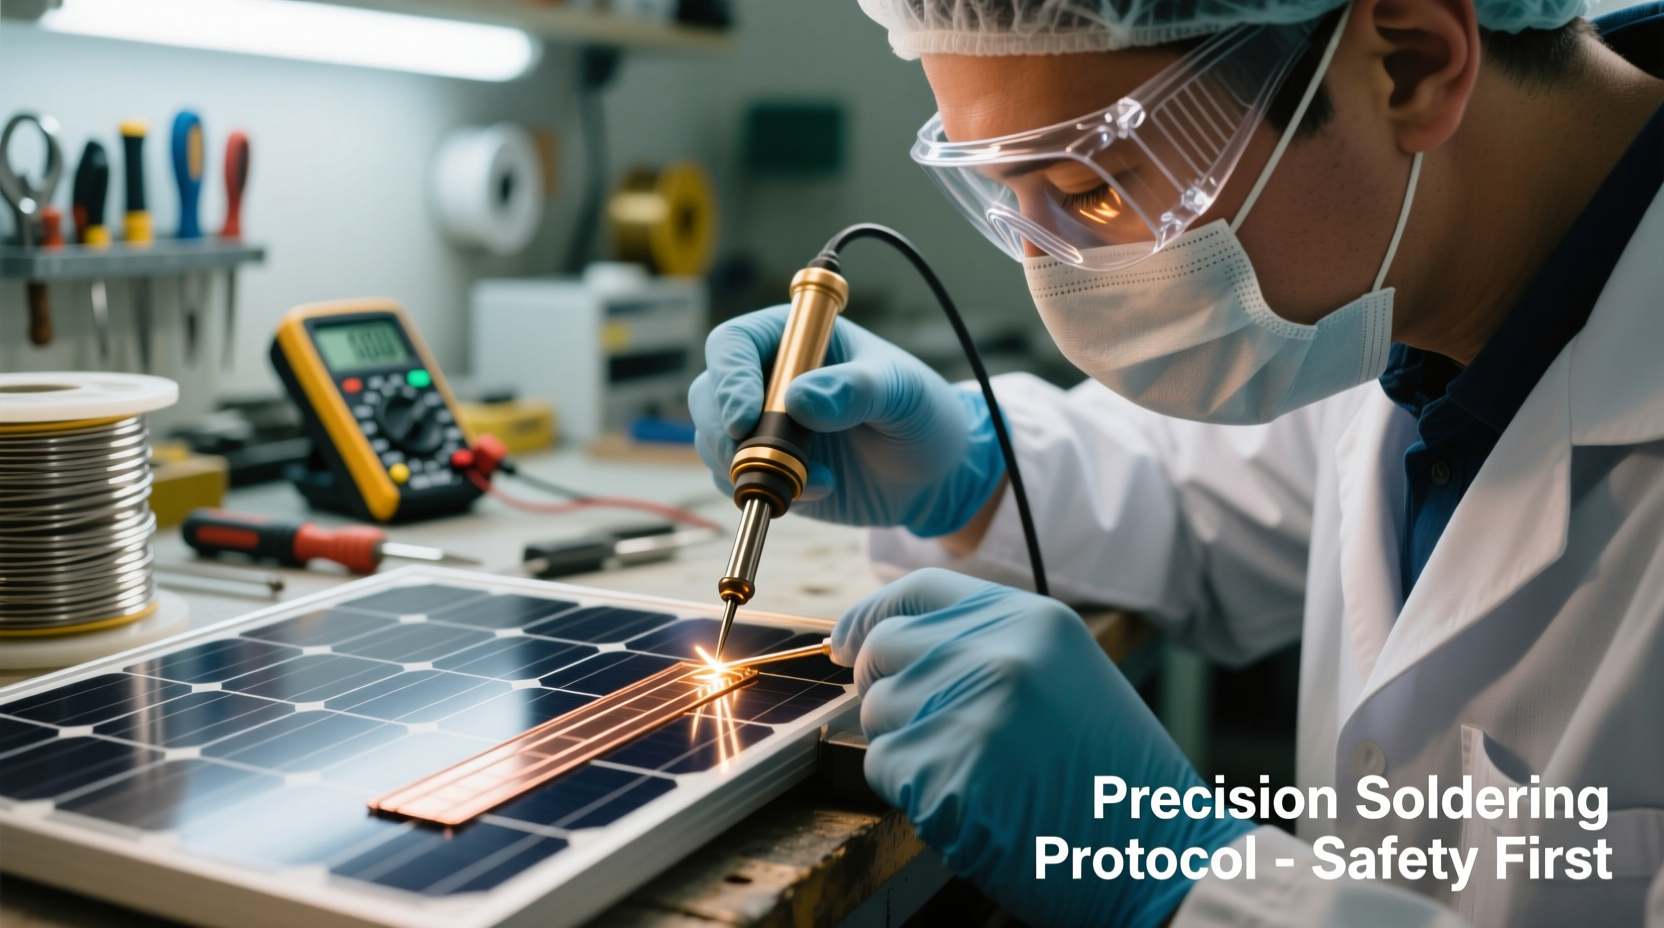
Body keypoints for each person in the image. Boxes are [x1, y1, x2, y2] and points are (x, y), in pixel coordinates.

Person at [689, 0, 1664, 922]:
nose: (1056, 274)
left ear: (1409, 63)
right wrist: (968, 464)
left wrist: (1189, 881)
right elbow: (1215, 499)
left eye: (1091, 188)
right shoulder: (1417, 292)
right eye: (1008, 197)